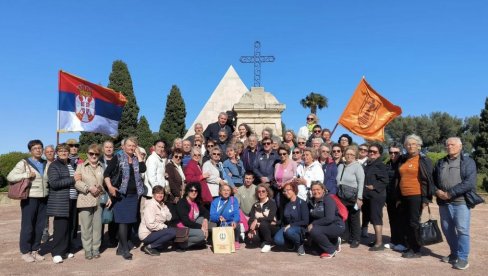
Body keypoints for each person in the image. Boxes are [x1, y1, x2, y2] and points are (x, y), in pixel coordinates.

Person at [433, 137, 477, 270]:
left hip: (461, 202)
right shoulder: (441, 162)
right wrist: (437, 191)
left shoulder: (468, 162)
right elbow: (433, 180)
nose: (449, 147)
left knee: (462, 230)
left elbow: (469, 182)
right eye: (447, 145)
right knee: (447, 230)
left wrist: (450, 193)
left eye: (452, 144)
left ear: (460, 146)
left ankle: (463, 258)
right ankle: (454, 254)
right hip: (444, 203)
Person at [104, 137, 146, 260]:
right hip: (121, 195)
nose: (131, 148)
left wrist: (138, 154)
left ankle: (120, 248)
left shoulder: (135, 158)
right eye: (129, 145)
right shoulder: (118, 157)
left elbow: (143, 169)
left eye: (134, 146)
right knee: (123, 222)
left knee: (129, 221)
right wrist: (110, 187)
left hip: (133, 195)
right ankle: (124, 249)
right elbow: (106, 173)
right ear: (123, 146)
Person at [7, 140, 48, 263]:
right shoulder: (24, 162)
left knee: (40, 226)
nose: (38, 150)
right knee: (28, 226)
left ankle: (35, 250)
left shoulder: (46, 163)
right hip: (30, 198)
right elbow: (10, 176)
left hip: (44, 198)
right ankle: (25, 251)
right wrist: (26, 174)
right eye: (35, 148)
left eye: (40, 148)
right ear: (30, 151)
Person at [395, 134, 434, 259]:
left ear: (419, 146)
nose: (410, 146)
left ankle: (416, 249)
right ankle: (410, 245)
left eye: (413, 144)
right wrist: (398, 197)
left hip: (416, 195)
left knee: (413, 223)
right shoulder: (403, 159)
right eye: (408, 144)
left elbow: (428, 180)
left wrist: (426, 198)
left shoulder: (423, 160)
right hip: (403, 196)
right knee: (405, 222)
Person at [46, 143, 81, 264]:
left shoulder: (71, 164)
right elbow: (54, 183)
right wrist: (72, 179)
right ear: (57, 153)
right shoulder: (54, 165)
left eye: (65, 150)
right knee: (61, 228)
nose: (63, 152)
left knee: (71, 227)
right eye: (60, 151)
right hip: (61, 201)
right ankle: (57, 252)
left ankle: (66, 249)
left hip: (73, 199)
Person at [74, 144, 106, 260]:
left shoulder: (102, 167)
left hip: (98, 200)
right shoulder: (81, 166)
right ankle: (87, 250)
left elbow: (105, 183)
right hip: (85, 199)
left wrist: (100, 188)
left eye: (96, 154)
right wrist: (88, 188)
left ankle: (96, 248)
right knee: (86, 226)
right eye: (91, 153)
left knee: (97, 226)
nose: (94, 156)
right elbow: (77, 182)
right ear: (87, 154)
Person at [362, 143, 389, 251]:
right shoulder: (369, 164)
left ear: (379, 154)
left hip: (377, 196)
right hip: (369, 196)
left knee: (376, 218)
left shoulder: (380, 165)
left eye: (375, 152)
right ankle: (377, 241)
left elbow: (385, 180)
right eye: (370, 151)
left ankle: (379, 243)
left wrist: (374, 186)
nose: (372, 153)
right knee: (373, 217)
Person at [307, 181, 345, 259]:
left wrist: (313, 224)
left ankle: (331, 250)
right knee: (314, 251)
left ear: (323, 190)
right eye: (313, 190)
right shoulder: (311, 201)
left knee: (314, 230)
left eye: (318, 189)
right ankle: (335, 241)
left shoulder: (328, 200)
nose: (316, 191)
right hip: (324, 226)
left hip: (336, 225)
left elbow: (329, 218)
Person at [336, 145, 364, 248]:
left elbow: (361, 182)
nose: (349, 156)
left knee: (354, 218)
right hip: (341, 195)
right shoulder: (341, 165)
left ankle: (356, 239)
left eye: (352, 154)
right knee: (344, 216)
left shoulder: (357, 166)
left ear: (355, 155)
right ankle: (346, 236)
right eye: (347, 154)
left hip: (353, 196)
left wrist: (360, 198)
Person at [138, 185, 177, 256]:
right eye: (158, 193)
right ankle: (149, 247)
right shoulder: (150, 205)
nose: (160, 195)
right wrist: (164, 226)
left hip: (155, 231)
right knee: (172, 232)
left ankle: (155, 244)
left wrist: (164, 207)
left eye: (162, 193)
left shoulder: (162, 204)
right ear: (153, 194)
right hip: (147, 234)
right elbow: (151, 225)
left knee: (172, 231)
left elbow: (169, 217)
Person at [273, 183, 309, 256]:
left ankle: (300, 244)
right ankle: (292, 243)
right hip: (287, 227)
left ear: (294, 190)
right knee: (277, 240)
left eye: (288, 190)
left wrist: (291, 225)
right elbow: (283, 220)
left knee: (289, 232)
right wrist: (275, 222)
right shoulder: (285, 203)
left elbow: (305, 221)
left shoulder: (302, 202)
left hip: (299, 228)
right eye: (284, 191)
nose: (286, 192)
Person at [384, 142, 406, 251]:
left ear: (400, 153)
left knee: (401, 220)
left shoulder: (403, 163)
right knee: (392, 220)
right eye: (391, 152)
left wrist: (401, 197)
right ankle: (394, 241)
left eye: (396, 152)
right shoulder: (388, 164)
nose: (393, 155)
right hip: (389, 197)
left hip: (400, 197)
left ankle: (403, 242)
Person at [176, 183, 210, 250]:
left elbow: (206, 212)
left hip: (190, 225)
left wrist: (205, 220)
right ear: (187, 191)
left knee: (202, 219)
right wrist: (201, 227)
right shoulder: (182, 203)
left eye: (196, 191)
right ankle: (180, 244)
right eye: (191, 190)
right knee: (201, 235)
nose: (194, 192)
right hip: (180, 228)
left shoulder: (196, 203)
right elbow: (186, 222)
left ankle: (194, 242)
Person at [246, 184, 278, 253]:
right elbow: (251, 219)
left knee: (264, 224)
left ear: (267, 193)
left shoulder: (272, 203)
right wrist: (252, 228)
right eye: (259, 191)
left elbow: (270, 218)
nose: (261, 193)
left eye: (263, 191)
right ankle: (265, 241)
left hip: (271, 227)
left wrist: (257, 220)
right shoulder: (255, 205)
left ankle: (268, 243)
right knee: (253, 238)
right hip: (259, 227)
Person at [209, 183, 241, 249]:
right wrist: (218, 218)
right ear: (220, 191)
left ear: (230, 192)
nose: (226, 192)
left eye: (228, 190)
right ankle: (216, 240)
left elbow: (236, 213)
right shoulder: (215, 201)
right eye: (224, 190)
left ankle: (236, 241)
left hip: (230, 223)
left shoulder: (234, 200)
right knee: (212, 226)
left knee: (237, 224)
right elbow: (212, 215)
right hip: (219, 223)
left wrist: (235, 221)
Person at [99, 140, 118, 247]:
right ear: (103, 149)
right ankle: (100, 239)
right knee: (100, 215)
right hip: (101, 191)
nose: (109, 149)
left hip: (113, 190)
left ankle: (112, 238)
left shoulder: (117, 160)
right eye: (106, 147)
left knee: (113, 216)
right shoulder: (98, 160)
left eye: (111, 147)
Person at [66, 138, 83, 250]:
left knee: (74, 220)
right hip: (64, 194)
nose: (74, 148)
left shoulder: (81, 161)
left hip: (77, 194)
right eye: (71, 146)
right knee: (64, 220)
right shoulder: (61, 160)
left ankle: (72, 241)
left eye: (76, 145)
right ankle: (64, 242)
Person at [274, 145, 298, 220]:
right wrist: (277, 184)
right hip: (279, 191)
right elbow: (275, 178)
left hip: (290, 190)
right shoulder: (277, 165)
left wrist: (286, 184)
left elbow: (295, 177)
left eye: (284, 153)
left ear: (288, 153)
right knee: (280, 208)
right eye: (280, 154)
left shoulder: (293, 163)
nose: (282, 155)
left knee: (289, 209)